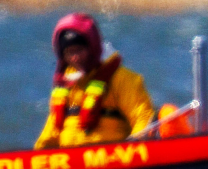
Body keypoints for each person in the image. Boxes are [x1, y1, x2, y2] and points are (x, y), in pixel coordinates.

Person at [34, 13, 154, 149]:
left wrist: (134, 150)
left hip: (111, 161)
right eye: (69, 52)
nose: (75, 58)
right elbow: (52, 131)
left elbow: (142, 117)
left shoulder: (122, 78)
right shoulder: (64, 85)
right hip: (70, 162)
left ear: (92, 48)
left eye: (79, 50)